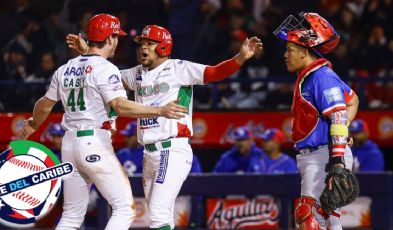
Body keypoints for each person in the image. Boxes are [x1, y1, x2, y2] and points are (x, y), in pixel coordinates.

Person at [67, 24, 262, 230]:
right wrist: (87, 52)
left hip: (172, 148)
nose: (143, 48)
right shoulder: (137, 74)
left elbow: (214, 73)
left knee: (158, 213)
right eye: (142, 44)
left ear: (163, 47)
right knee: (161, 216)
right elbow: (106, 76)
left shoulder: (179, 68)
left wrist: (240, 58)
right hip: (149, 153)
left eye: (149, 43)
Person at [19, 14, 188, 230]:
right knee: (124, 209)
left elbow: (43, 105)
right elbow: (120, 105)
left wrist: (32, 124)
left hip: (69, 144)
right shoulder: (106, 69)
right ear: (110, 39)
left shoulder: (65, 68)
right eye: (116, 36)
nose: (117, 41)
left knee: (71, 215)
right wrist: (159, 110)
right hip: (94, 141)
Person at [273, 12, 359, 229]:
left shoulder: (321, 77)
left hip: (324, 157)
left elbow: (338, 114)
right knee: (327, 222)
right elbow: (353, 100)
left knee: (310, 218)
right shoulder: (312, 75)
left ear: (304, 52)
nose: (285, 55)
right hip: (320, 155)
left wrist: (337, 159)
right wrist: (341, 135)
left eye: (290, 49)